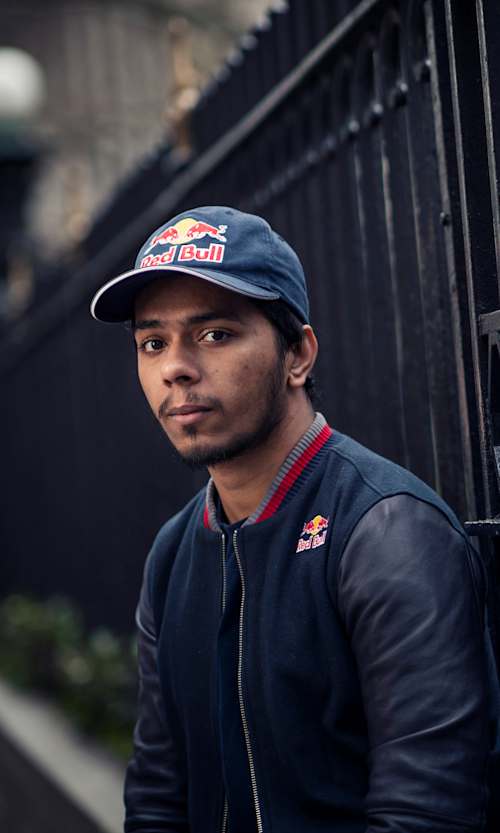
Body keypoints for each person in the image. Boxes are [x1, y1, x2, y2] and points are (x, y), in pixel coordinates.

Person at [91, 206, 494, 833]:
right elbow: (156, 796)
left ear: (297, 355)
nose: (175, 367)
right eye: (153, 343)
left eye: (214, 334)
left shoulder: (387, 533)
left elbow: (426, 810)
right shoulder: (172, 556)